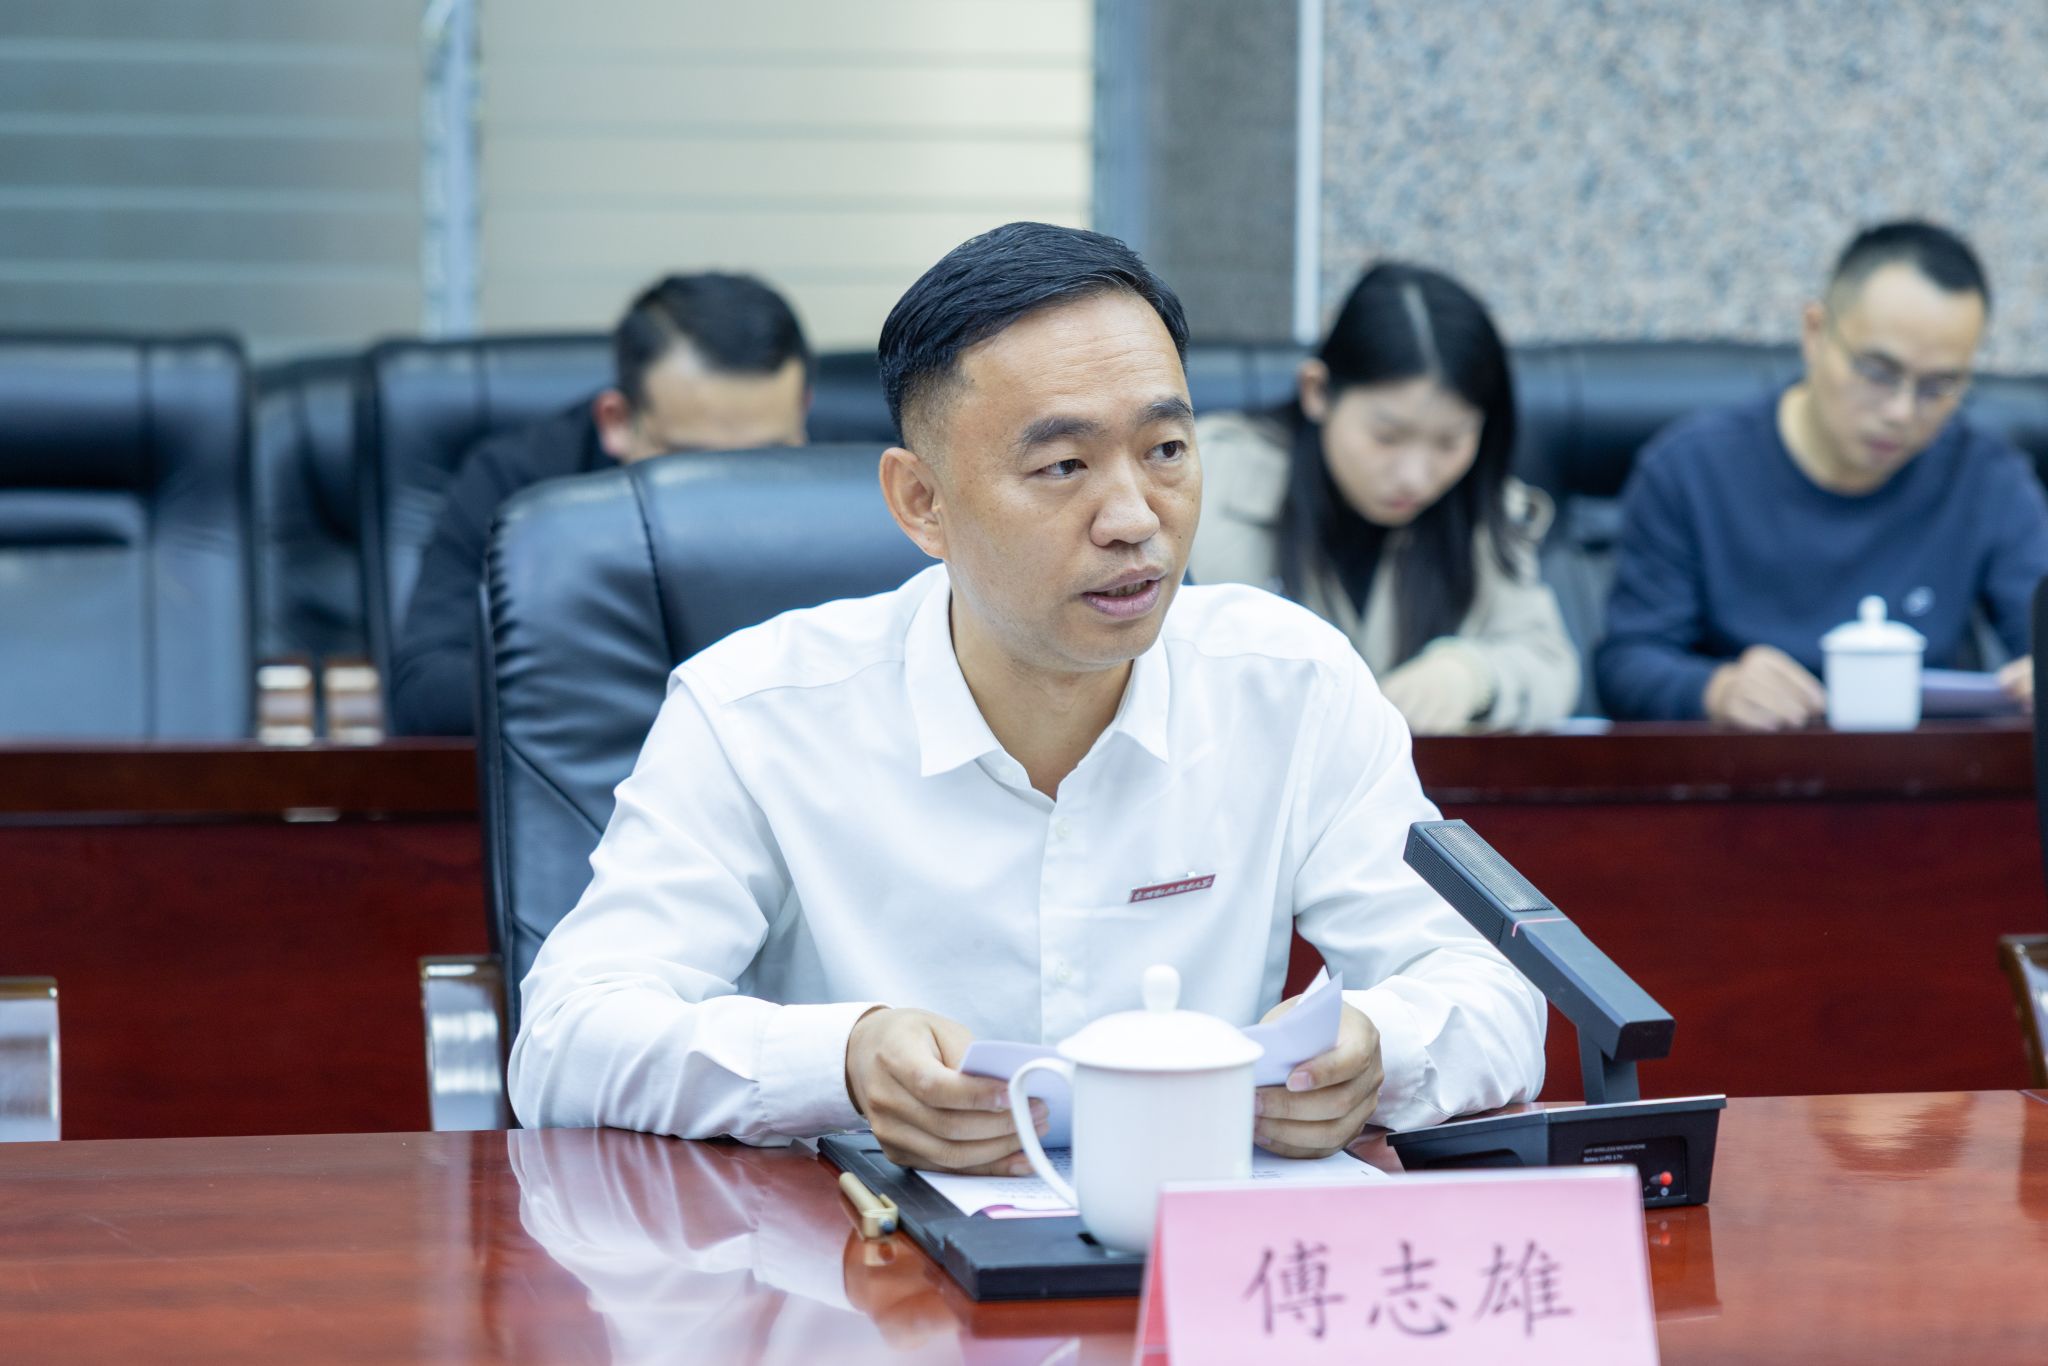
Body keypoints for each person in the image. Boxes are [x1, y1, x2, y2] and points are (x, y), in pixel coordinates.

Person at [508, 222, 1544, 1174]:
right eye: (1062, 465)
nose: (1133, 518)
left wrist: (1378, 1052)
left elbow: (1493, 992)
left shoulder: (1292, 684)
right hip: (861, 1275)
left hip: (1191, 1262)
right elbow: (564, 1038)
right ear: (921, 501)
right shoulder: (753, 712)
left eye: (1166, 450)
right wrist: (844, 1060)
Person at [1597, 221, 2048, 728]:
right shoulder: (1690, 470)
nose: (1901, 412)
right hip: (1744, 764)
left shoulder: (1988, 479)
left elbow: (2036, 631)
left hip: (1924, 766)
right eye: (1878, 372)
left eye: (1938, 387)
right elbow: (1626, 663)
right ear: (1815, 332)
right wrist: (1713, 689)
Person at [389, 272, 812, 735]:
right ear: (618, 421)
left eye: (765, 457)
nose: (730, 493)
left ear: (803, 414)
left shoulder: (848, 488)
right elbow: (424, 693)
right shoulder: (519, 489)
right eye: (694, 462)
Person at [1188, 263, 1578, 733]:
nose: (1415, 477)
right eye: (1387, 437)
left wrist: (1474, 675)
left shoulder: (1482, 507)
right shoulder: (1207, 478)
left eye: (1449, 442)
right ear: (1317, 392)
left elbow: (1549, 664)